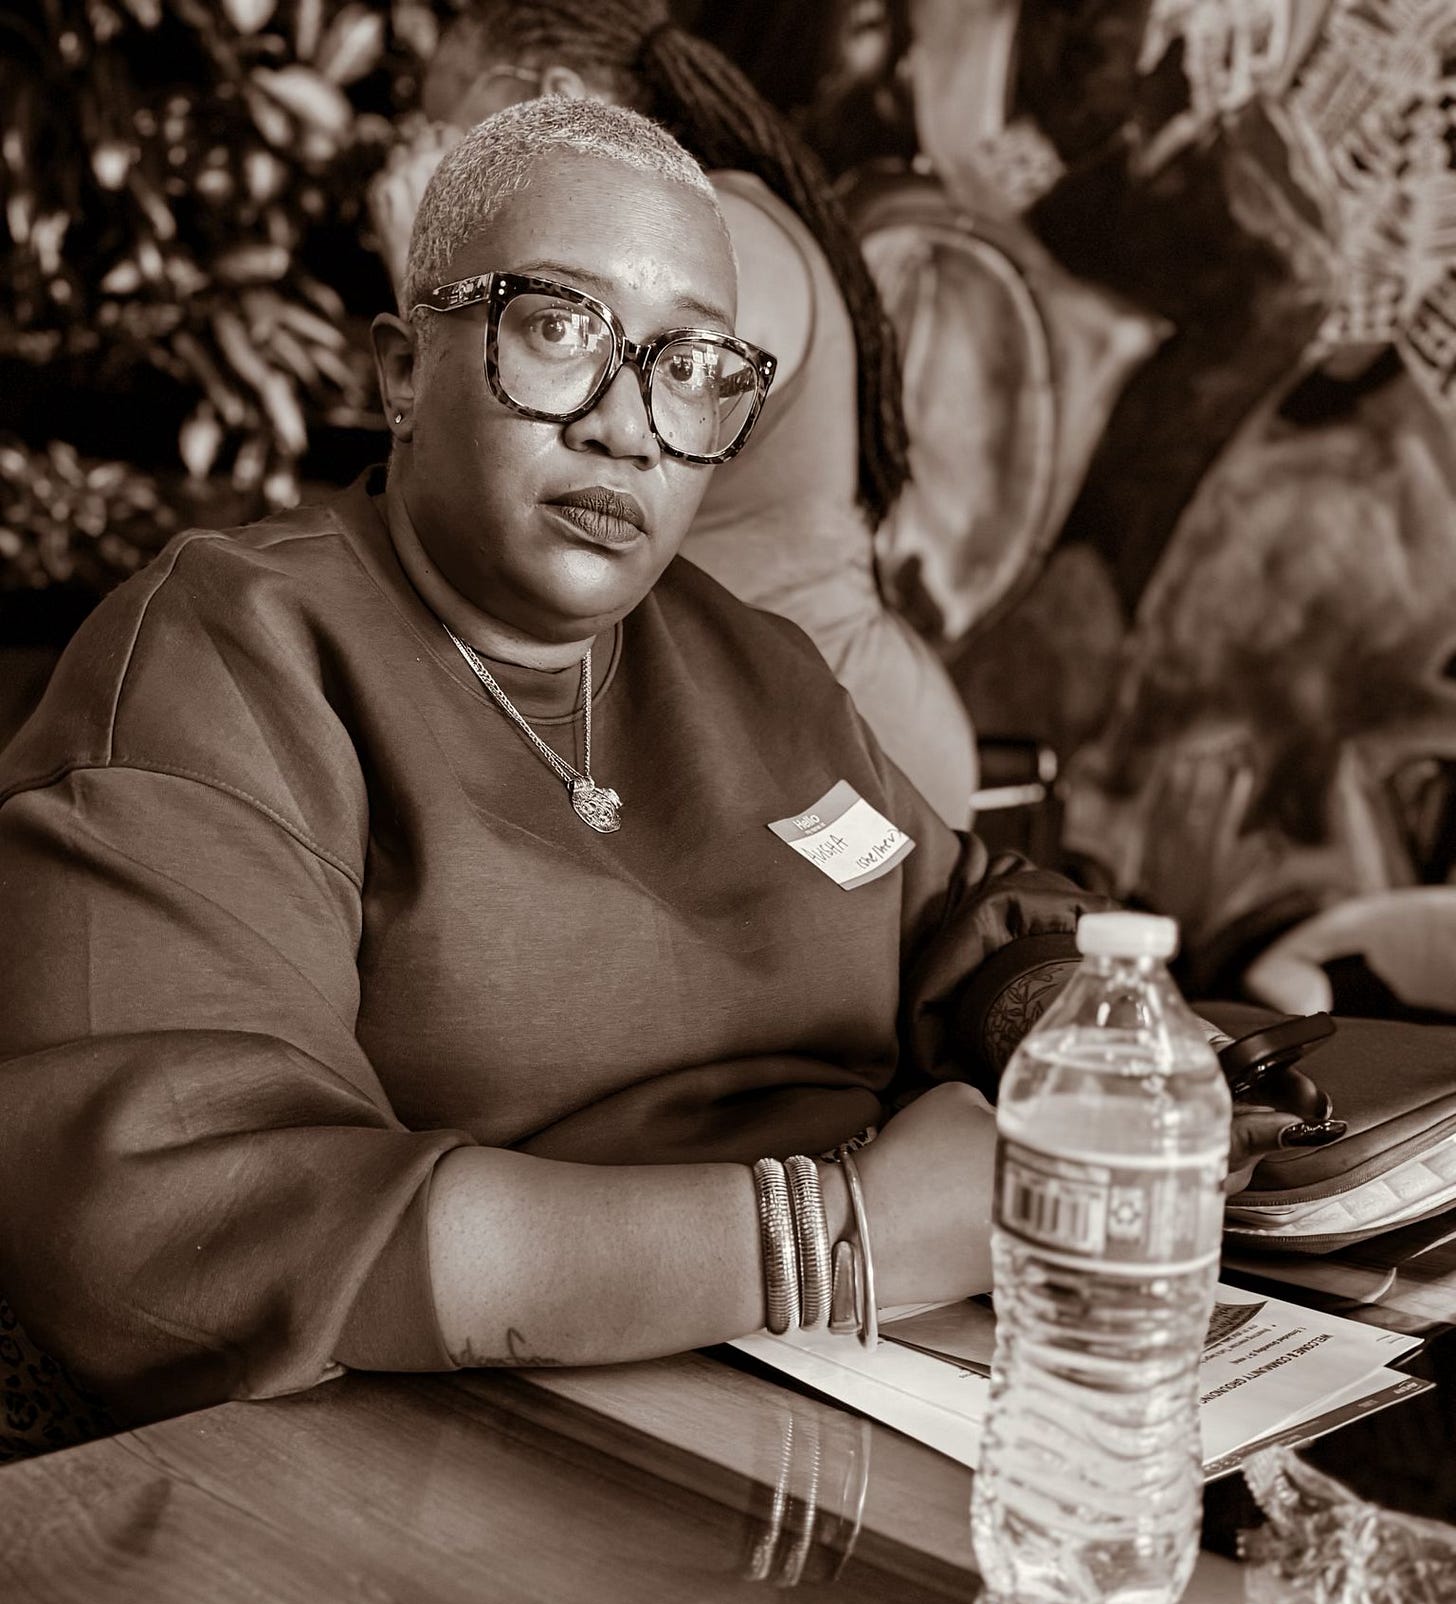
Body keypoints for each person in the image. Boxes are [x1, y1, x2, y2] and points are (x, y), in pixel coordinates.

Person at [0, 102, 1291, 1432]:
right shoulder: (237, 649)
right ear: (401, 368)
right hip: (492, 1458)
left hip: (911, 1380)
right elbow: (168, 1219)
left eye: (692, 370)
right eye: (558, 327)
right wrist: (832, 1239)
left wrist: (1094, 1034)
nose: (629, 425)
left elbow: (961, 913)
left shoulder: (760, 670)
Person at [368, 0, 980, 828]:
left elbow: (593, 396)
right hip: (729, 731)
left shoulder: (710, 242)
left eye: (447, 131)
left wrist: (428, 268)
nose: (432, 162)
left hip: (848, 755)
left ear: (554, 97)